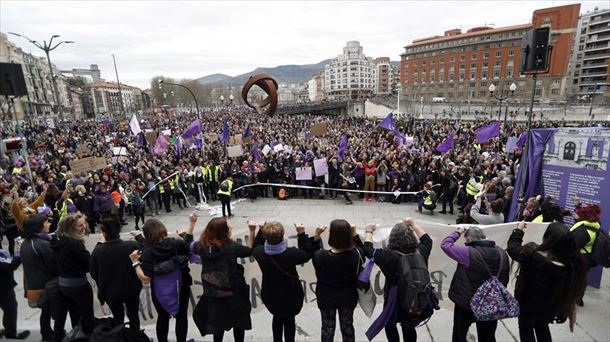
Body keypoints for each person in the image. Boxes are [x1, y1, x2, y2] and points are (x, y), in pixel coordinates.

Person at [507, 221, 587, 342]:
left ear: (548, 238)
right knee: (542, 327)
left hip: (528, 304)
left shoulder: (533, 256)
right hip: (551, 307)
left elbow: (512, 248)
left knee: (525, 328)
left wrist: (518, 231)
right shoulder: (573, 265)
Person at [251, 221, 323, 342]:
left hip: (270, 294)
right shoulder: (291, 254)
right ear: (282, 236)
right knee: (289, 320)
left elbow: (256, 244)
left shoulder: (259, 253)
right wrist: (301, 234)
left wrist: (260, 230)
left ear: (265, 237)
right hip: (291, 295)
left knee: (277, 318)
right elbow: (307, 253)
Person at [363, 217, 432, 342]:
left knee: (390, 324)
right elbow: (427, 239)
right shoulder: (421, 252)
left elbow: (368, 249)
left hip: (393, 299)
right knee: (409, 327)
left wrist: (369, 231)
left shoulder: (388, 256)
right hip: (414, 297)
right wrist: (413, 224)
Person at [130, 215, 196, 342]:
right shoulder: (177, 243)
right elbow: (190, 248)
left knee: (163, 317)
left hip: (160, 291)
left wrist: (135, 263)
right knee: (181, 316)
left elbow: (145, 279)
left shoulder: (149, 252)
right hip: (181, 286)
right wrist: (189, 228)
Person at [441, 226, 509, 342]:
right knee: (487, 335)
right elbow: (505, 276)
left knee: (460, 332)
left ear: (468, 240)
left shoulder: (468, 252)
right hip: (491, 302)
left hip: (467, 302)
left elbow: (445, 245)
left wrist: (458, 232)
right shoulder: (501, 252)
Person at [192, 218, 254, 342]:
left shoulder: (201, 246)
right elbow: (248, 251)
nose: (230, 228)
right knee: (238, 323)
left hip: (213, 293)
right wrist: (252, 231)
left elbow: (187, 243)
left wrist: (191, 225)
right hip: (234, 293)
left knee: (218, 325)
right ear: (223, 232)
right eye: (228, 227)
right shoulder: (232, 247)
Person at [312, 219, 364, 342]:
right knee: (347, 327)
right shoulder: (356, 255)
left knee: (327, 328)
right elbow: (363, 251)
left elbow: (312, 252)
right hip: (348, 296)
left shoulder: (320, 256)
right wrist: (355, 234)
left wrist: (317, 236)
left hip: (326, 297)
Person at [90, 219, 142, 329]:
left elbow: (94, 273)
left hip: (110, 291)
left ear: (104, 233)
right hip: (131, 288)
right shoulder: (131, 245)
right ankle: (135, 336)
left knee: (118, 319)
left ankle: (120, 336)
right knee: (134, 316)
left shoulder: (98, 251)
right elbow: (147, 251)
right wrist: (139, 237)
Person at [51, 213, 96, 339]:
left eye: (84, 224)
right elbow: (89, 264)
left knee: (75, 314)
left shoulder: (58, 240)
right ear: (71, 228)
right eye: (79, 226)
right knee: (87, 314)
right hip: (78, 285)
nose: (84, 227)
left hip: (64, 284)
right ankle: (86, 337)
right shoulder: (74, 244)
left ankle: (78, 335)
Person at [20, 214, 58, 341]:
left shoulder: (26, 243)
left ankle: (46, 333)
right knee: (50, 311)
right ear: (38, 227)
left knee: (45, 312)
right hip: (44, 286)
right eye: (46, 222)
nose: (49, 224)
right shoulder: (41, 244)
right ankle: (49, 334)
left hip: (34, 284)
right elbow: (53, 265)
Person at [0, 237, 30, 340]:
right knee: (10, 309)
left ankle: (8, 329)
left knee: (8, 309)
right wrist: (19, 251)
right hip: (3, 287)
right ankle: (11, 334)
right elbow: (11, 266)